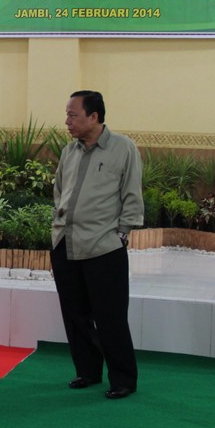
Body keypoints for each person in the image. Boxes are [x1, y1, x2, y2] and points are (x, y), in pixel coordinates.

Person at [50, 90, 144, 399]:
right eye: (67, 115)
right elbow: (59, 192)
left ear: (94, 116)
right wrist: (57, 228)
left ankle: (123, 379)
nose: (67, 121)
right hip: (67, 243)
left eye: (73, 115)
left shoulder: (123, 148)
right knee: (75, 314)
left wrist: (121, 234)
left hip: (104, 247)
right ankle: (87, 371)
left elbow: (132, 195)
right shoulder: (69, 151)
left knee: (110, 316)